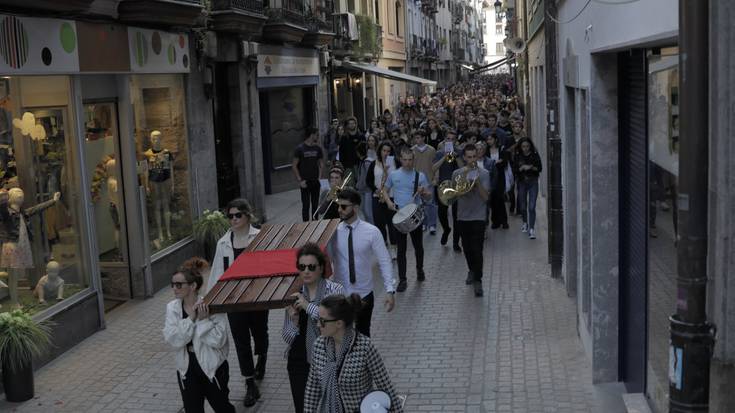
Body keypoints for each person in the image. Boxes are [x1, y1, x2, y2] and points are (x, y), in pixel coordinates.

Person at [206, 199, 267, 407]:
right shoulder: (223, 243)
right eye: (230, 216)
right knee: (241, 341)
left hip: (257, 297)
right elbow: (216, 272)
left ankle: (263, 358)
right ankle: (250, 384)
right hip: (233, 300)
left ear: (247, 215)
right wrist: (209, 300)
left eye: (237, 215)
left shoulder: (259, 238)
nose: (233, 219)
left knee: (260, 334)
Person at [303, 294, 404, 413]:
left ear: (339, 323)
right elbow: (313, 388)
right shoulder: (319, 345)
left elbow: (386, 387)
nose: (318, 324)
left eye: (322, 321)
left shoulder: (364, 347)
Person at [164, 258, 235, 413]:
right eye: (172, 284)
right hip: (187, 368)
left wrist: (203, 322)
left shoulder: (211, 305)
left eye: (178, 285)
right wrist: (191, 319)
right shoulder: (172, 308)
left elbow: (219, 340)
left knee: (223, 408)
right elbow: (173, 339)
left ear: (193, 286)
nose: (174, 288)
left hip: (212, 366)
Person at [282, 243, 345, 413]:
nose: (306, 271)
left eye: (311, 266)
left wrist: (307, 306)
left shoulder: (334, 290)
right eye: (302, 267)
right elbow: (287, 336)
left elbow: (335, 322)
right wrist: (294, 320)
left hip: (329, 357)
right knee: (303, 408)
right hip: (299, 360)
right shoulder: (295, 293)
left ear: (321, 267)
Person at [327, 188, 396, 337]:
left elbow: (385, 261)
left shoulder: (372, 232)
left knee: (363, 335)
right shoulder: (333, 232)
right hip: (340, 295)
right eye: (338, 206)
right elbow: (327, 260)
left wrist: (390, 290)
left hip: (364, 294)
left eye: (344, 206)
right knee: (341, 336)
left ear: (356, 207)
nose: (340, 210)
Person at [383, 147, 431, 292]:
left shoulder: (420, 176)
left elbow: (429, 196)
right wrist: (388, 202)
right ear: (400, 159)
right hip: (399, 216)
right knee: (401, 249)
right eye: (405, 160)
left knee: (418, 246)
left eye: (410, 160)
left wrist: (424, 192)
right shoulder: (393, 174)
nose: (408, 163)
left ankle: (420, 270)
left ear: (413, 159)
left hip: (415, 215)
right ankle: (402, 279)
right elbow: (384, 190)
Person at [453, 144, 491, 297]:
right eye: (468, 157)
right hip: (463, 216)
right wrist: (463, 186)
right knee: (467, 248)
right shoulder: (457, 173)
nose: (471, 160)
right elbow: (453, 195)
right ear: (464, 158)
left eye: (474, 156)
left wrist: (477, 183)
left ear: (478, 156)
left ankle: (478, 280)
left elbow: (486, 197)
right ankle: (472, 270)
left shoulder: (484, 173)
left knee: (477, 249)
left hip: (479, 216)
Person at [433, 129, 463, 252]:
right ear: (445, 140)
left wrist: (456, 158)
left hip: (456, 186)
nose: (450, 141)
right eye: (448, 139)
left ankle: (456, 243)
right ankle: (446, 229)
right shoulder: (439, 153)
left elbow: (463, 169)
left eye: (453, 139)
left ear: (455, 141)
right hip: (442, 186)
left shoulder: (460, 152)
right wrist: (445, 157)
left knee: (457, 216)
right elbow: (433, 168)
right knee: (442, 213)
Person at [367, 141, 398, 249]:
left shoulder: (395, 163)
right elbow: (369, 181)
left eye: (388, 151)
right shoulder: (373, 164)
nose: (386, 153)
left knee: (392, 223)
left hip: (391, 196)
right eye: (384, 150)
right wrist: (376, 190)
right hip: (377, 197)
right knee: (379, 222)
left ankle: (394, 246)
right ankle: (383, 243)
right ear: (380, 151)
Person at [292, 127, 324, 222]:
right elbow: (294, 166)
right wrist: (300, 180)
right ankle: (305, 227)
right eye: (316, 135)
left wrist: (319, 178)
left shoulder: (318, 148)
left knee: (315, 205)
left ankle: (315, 225)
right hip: (305, 182)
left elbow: (321, 164)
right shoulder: (300, 149)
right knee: (305, 206)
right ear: (312, 135)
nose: (317, 137)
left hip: (315, 181)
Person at [515, 138, 543, 239]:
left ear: (530, 146)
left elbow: (540, 168)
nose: (525, 148)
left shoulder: (535, 155)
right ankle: (525, 222)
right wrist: (521, 168)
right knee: (523, 206)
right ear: (520, 147)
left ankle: (532, 229)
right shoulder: (518, 156)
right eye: (523, 146)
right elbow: (515, 169)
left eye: (527, 146)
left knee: (531, 206)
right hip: (522, 182)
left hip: (533, 182)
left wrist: (530, 167)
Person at [486, 133, 511, 229]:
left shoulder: (501, 149)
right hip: (490, 177)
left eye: (491, 139)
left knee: (500, 199)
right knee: (492, 200)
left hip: (500, 177)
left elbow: (504, 162)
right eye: (488, 139)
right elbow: (488, 164)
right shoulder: (487, 151)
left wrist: (495, 164)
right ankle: (495, 221)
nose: (489, 141)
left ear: (495, 140)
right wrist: (496, 162)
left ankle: (504, 221)